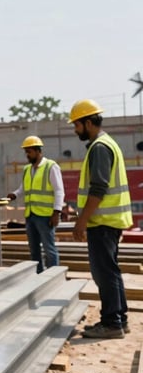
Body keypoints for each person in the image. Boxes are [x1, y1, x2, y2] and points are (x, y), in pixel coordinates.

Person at [69, 99, 133, 339]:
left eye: (76, 125)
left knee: (104, 273)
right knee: (110, 271)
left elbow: (98, 188)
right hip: (110, 221)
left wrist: (81, 221)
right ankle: (119, 319)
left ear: (87, 122)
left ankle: (111, 323)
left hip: (103, 222)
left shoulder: (99, 147)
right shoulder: (108, 144)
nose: (75, 130)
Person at [6, 135, 65, 273]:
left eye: (29, 151)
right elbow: (24, 188)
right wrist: (15, 194)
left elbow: (59, 191)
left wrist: (56, 213)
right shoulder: (27, 169)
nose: (27, 154)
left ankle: (53, 277)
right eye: (26, 151)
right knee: (34, 250)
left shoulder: (51, 166)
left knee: (49, 249)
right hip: (31, 215)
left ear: (38, 151)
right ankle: (38, 278)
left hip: (45, 216)